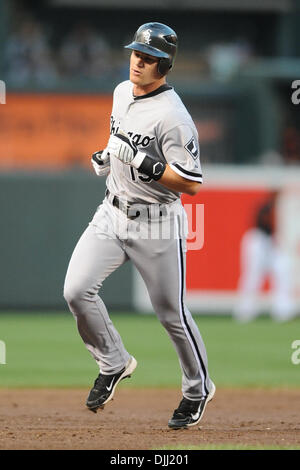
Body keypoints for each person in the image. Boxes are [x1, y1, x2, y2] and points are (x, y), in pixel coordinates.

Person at [64, 22, 215, 430]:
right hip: (112, 213)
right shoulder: (119, 92)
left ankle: (197, 389)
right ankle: (113, 362)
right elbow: (121, 143)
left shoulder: (175, 117)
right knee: (76, 290)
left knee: (172, 315)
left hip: (157, 224)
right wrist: (108, 158)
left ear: (165, 65)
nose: (138, 62)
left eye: (148, 58)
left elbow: (191, 183)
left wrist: (143, 162)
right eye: (136, 54)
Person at [233, 190, 297, 322]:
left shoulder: (280, 209)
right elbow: (264, 224)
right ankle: (245, 311)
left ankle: (283, 310)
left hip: (273, 242)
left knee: (282, 271)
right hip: (259, 241)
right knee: (252, 276)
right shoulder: (266, 207)